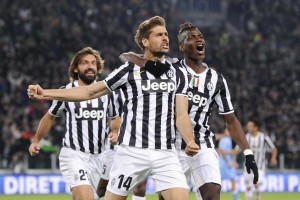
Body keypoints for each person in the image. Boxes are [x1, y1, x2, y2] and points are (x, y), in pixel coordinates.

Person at [27, 16, 200, 200]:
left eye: (166, 34)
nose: (165, 38)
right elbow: (89, 92)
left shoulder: (178, 73)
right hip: (131, 153)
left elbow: (181, 114)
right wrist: (45, 93)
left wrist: (189, 140)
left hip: (166, 153)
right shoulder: (128, 70)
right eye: (159, 35)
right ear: (145, 41)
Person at [119, 22, 259, 200]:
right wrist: (148, 65)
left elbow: (230, 120)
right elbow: (126, 56)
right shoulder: (171, 67)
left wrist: (248, 153)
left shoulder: (216, 79)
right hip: (172, 147)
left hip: (202, 145)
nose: (198, 39)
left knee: (212, 194)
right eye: (191, 38)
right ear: (182, 46)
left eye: (200, 37)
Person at [28, 47, 120, 200]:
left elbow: (114, 117)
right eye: (85, 63)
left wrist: (115, 131)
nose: (90, 66)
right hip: (74, 154)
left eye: (93, 63)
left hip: (99, 157)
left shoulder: (106, 93)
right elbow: (49, 117)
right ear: (76, 68)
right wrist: (36, 140)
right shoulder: (66, 91)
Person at [97, 89, 148, 200]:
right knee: (101, 189)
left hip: (138, 145)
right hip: (114, 146)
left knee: (140, 188)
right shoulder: (112, 92)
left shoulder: (144, 90)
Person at [241, 119, 277, 200]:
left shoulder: (263, 137)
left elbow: (274, 148)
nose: (248, 128)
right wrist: (228, 153)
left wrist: (273, 158)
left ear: (255, 127)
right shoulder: (246, 137)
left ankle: (258, 197)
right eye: (248, 126)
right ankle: (251, 197)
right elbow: (237, 149)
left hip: (260, 166)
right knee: (248, 187)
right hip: (247, 166)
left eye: (250, 126)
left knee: (256, 183)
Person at [216, 128, 239, 200]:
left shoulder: (229, 140)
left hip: (226, 162)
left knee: (231, 179)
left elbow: (232, 152)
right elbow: (222, 152)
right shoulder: (225, 140)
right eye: (228, 131)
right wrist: (228, 161)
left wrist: (234, 161)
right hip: (224, 162)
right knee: (221, 181)